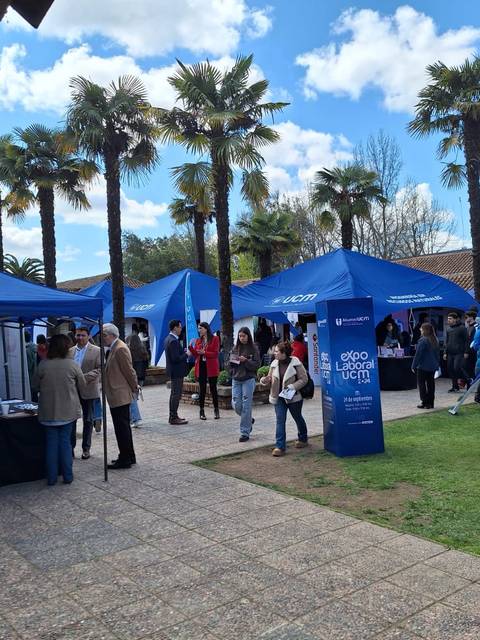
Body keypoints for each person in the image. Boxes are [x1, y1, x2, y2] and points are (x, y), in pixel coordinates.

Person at [33, 334, 88, 486]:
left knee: (51, 443)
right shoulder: (72, 365)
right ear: (65, 348)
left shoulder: (43, 365)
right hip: (68, 411)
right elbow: (82, 385)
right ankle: (68, 476)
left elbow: (35, 385)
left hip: (48, 412)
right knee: (65, 443)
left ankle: (51, 478)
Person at [260, 341, 308, 457]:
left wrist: (292, 387)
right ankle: (280, 446)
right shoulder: (274, 364)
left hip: (293, 397)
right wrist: (265, 380)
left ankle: (303, 438)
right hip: (279, 397)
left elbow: (304, 379)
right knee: (280, 420)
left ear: (284, 353)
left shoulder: (296, 363)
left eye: (277, 351)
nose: (274, 353)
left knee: (297, 417)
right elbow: (270, 378)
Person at [102, 323, 139, 469]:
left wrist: (135, 387)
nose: (103, 338)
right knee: (123, 427)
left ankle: (125, 458)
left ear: (112, 335)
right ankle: (128, 455)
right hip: (117, 393)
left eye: (104, 335)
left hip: (120, 394)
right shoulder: (115, 348)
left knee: (121, 428)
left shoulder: (120, 348)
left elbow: (129, 371)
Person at [68, 327, 101, 460]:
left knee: (88, 420)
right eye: (78, 335)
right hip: (72, 390)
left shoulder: (97, 350)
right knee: (71, 420)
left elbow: (99, 369)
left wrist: (82, 378)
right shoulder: (70, 351)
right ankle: (70, 448)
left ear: (88, 336)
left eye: (82, 335)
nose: (80, 338)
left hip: (88, 389)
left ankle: (86, 449)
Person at [229, 327, 261, 442]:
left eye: (243, 336)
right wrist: (233, 363)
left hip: (248, 379)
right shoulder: (235, 348)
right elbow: (230, 364)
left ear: (248, 336)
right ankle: (248, 419)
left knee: (246, 405)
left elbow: (257, 364)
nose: (241, 338)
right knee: (237, 405)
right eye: (240, 336)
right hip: (236, 379)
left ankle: (245, 432)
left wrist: (246, 361)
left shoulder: (254, 348)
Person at [189, 322, 220, 420]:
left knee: (213, 388)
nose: (199, 330)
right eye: (198, 329)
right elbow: (195, 355)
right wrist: (190, 347)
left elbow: (215, 353)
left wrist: (204, 352)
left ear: (206, 329)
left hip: (211, 366)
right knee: (201, 389)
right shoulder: (198, 340)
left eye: (201, 328)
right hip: (201, 365)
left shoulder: (215, 339)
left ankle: (216, 410)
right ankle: (201, 411)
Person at [164, 319, 188, 425]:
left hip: (174, 371)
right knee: (176, 394)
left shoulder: (169, 338)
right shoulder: (173, 340)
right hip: (176, 371)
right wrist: (187, 354)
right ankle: (173, 417)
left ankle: (174, 415)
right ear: (175, 328)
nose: (180, 329)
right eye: (179, 327)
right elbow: (176, 358)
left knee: (174, 394)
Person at [411, 323, 440, 409]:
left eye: (421, 328)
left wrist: (413, 365)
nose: (420, 329)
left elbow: (418, 354)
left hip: (423, 366)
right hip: (433, 366)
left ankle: (425, 402)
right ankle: (430, 403)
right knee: (431, 384)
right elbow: (437, 354)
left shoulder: (423, 340)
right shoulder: (435, 339)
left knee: (422, 384)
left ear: (424, 330)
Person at [443, 312, 469, 392]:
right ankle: (455, 387)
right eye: (448, 319)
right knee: (450, 369)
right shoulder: (448, 329)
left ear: (455, 319)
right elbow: (446, 342)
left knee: (457, 368)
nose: (448, 320)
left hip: (459, 352)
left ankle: (468, 380)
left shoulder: (462, 328)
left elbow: (466, 341)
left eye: (450, 319)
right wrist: (445, 352)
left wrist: (466, 352)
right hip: (450, 353)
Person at [128, 333, 149, 427]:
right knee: (134, 397)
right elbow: (146, 365)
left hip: (133, 377)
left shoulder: (129, 351)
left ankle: (135, 418)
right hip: (141, 378)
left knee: (131, 398)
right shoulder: (143, 351)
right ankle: (132, 418)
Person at [463, 311, 477, 384]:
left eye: (466, 317)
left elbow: (471, 340)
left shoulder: (475, 327)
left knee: (468, 367)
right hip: (470, 350)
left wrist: (467, 351)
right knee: (466, 367)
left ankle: (471, 380)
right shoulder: (468, 327)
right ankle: (470, 381)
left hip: (472, 351)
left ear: (471, 317)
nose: (465, 319)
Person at [24, 331, 37, 400]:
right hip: (36, 375)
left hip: (30, 376)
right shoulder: (35, 346)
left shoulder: (27, 349)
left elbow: (28, 366)